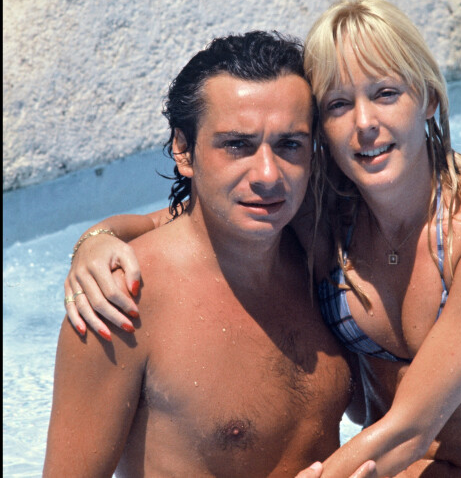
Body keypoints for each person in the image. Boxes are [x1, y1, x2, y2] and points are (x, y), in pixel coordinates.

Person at [61, 0, 461, 477]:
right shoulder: (321, 214)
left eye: (385, 94)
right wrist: (98, 238)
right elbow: (189, 215)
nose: (365, 123)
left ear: (428, 98)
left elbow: (411, 427)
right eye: (337, 105)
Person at [44, 31, 377, 478]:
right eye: (237, 144)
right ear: (184, 149)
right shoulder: (120, 301)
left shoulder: (321, 257)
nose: (267, 174)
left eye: (289, 144)